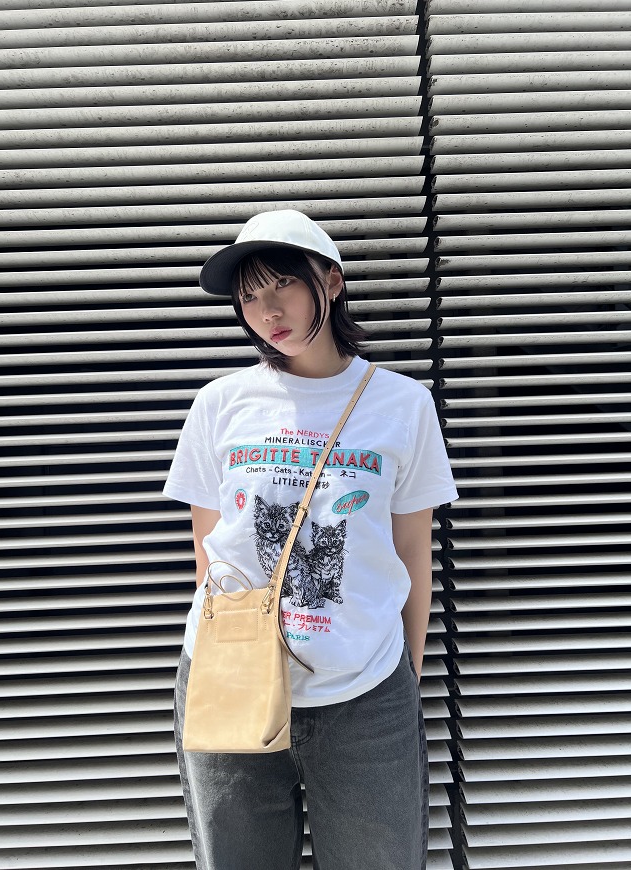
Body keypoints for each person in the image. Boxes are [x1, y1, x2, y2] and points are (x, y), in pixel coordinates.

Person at [163, 209, 458, 870]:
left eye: (283, 286)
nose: (267, 311)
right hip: (231, 682)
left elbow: (413, 552)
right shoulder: (221, 403)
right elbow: (209, 552)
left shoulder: (403, 404)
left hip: (366, 693)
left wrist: (404, 677)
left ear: (331, 281)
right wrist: (232, 656)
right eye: (249, 297)